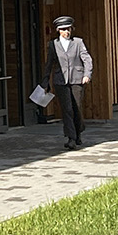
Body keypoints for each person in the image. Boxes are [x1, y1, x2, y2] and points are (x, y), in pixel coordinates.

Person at [43, 15, 93, 149]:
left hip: (77, 79)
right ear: (58, 31)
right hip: (61, 81)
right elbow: (49, 64)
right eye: (63, 29)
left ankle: (78, 131)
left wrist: (87, 74)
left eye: (68, 29)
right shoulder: (53, 45)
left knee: (77, 108)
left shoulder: (78, 42)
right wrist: (45, 81)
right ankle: (71, 138)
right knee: (67, 109)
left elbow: (87, 59)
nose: (66, 32)